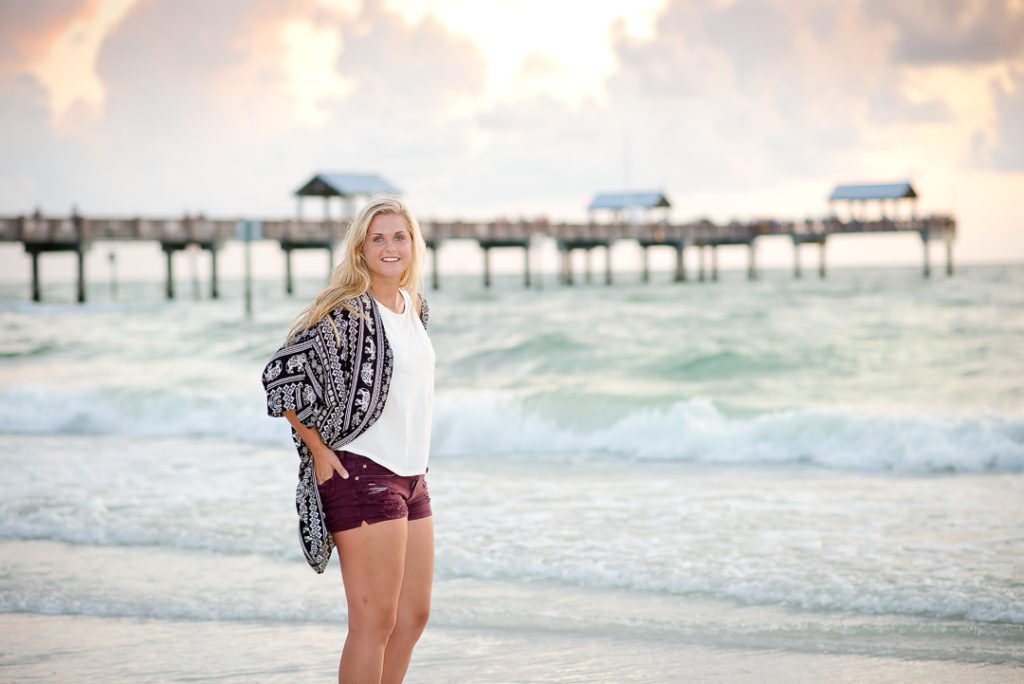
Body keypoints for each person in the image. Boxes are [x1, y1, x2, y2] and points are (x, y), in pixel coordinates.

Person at [261, 195, 435, 684]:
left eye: (399, 236)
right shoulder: (347, 313)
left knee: (412, 616)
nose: (390, 246)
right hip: (361, 473)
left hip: (412, 478)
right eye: (377, 238)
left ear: (413, 243)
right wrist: (318, 450)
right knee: (373, 622)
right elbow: (281, 374)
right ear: (360, 249)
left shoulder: (414, 307)